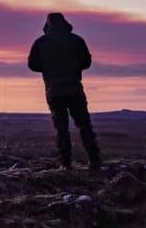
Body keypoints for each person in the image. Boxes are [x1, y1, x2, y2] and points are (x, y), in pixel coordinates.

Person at [29, 13, 102, 171]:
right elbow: (86, 62)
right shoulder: (76, 40)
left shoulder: (41, 42)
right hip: (74, 89)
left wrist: (48, 67)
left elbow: (32, 64)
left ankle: (65, 163)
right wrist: (72, 67)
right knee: (84, 125)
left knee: (61, 128)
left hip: (54, 91)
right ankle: (94, 160)